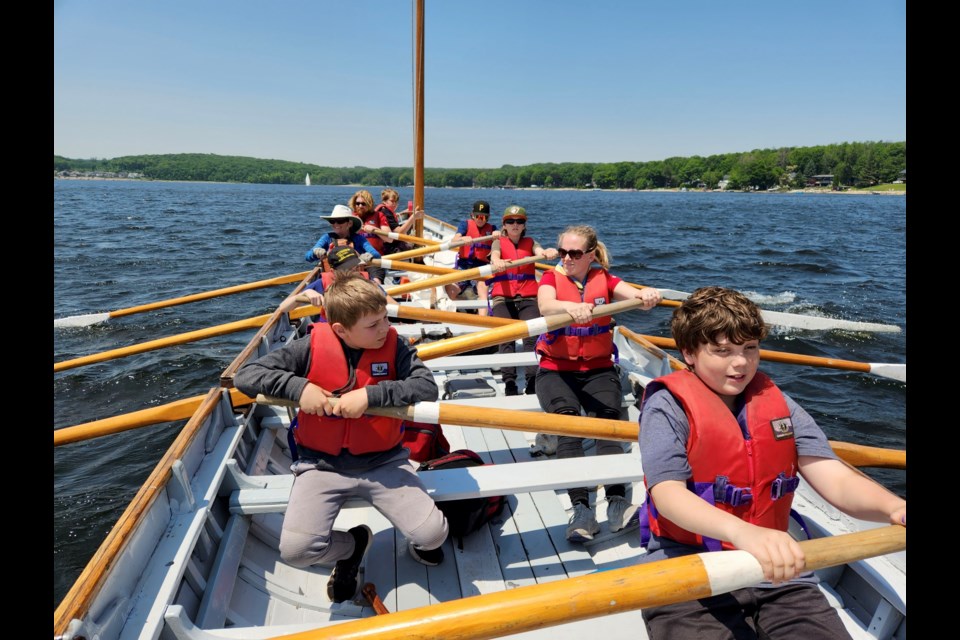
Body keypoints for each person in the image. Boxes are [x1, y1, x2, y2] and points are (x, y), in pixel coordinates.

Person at [636, 286, 907, 639]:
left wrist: (893, 507)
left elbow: (833, 477)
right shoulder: (666, 407)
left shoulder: (776, 402)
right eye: (723, 351)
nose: (741, 363)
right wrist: (743, 532)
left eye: (750, 349)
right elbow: (668, 496)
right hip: (688, 564)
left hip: (775, 568)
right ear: (689, 353)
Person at [234, 273, 449, 604]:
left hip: (384, 461)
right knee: (297, 551)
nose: (385, 329)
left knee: (433, 535)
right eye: (373, 325)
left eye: (384, 319)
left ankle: (418, 544)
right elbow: (247, 376)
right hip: (321, 465)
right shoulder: (308, 347)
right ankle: (353, 545)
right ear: (340, 330)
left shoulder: (396, 347)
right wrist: (299, 388)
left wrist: (372, 395)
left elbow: (426, 386)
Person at [534, 224, 661, 542]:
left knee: (608, 424)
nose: (565, 258)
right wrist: (571, 307)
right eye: (562, 251)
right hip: (555, 370)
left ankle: (617, 503)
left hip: (598, 369)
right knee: (569, 426)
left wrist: (644, 295)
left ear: (591, 254)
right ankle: (581, 510)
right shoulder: (552, 278)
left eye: (574, 253)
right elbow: (546, 305)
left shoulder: (604, 279)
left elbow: (630, 293)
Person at [488, 205, 557, 396]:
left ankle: (532, 380)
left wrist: (546, 252)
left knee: (532, 336)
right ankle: (509, 381)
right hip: (504, 297)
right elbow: (494, 256)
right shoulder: (498, 243)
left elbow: (539, 250)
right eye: (510, 221)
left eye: (519, 221)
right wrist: (497, 261)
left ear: (524, 225)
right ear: (504, 225)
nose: (515, 225)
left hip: (527, 296)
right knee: (506, 338)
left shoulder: (531, 242)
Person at [278, 246, 396, 319]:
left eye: (355, 266)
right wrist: (306, 293)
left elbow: (394, 307)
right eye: (348, 268)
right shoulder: (320, 284)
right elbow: (283, 308)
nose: (354, 271)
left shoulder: (369, 283)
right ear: (333, 272)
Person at [444, 200, 500, 316]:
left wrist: (498, 234)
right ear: (472, 216)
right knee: (450, 290)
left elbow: (501, 237)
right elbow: (455, 240)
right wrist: (462, 239)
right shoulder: (465, 225)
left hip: (482, 268)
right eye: (477, 216)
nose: (480, 219)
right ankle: (469, 309)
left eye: (483, 217)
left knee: (482, 289)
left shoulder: (493, 228)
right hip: (464, 266)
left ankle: (482, 319)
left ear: (488, 218)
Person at [304, 204, 381, 271]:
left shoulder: (359, 239)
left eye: (340, 220)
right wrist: (315, 252)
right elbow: (307, 257)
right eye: (332, 221)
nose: (336, 224)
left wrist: (369, 256)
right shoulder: (327, 238)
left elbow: (376, 255)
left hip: (355, 277)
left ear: (349, 223)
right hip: (332, 278)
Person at [350, 190, 389, 284]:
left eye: (363, 204)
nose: (360, 206)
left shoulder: (379, 216)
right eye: (357, 203)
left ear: (369, 204)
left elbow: (389, 238)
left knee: (376, 281)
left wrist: (374, 230)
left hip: (374, 259)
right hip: (354, 260)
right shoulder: (350, 218)